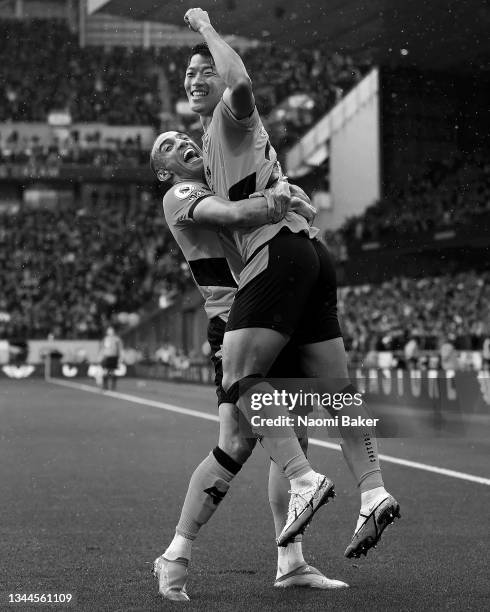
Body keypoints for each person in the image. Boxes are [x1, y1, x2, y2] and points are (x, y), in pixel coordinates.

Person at [183, 5, 399, 561]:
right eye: (188, 73)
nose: (196, 78)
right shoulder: (211, 155)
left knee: (238, 376)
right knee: (335, 392)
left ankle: (304, 480)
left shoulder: (229, 119)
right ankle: (373, 489)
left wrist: (205, 27)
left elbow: (241, 81)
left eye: (203, 70)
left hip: (277, 256)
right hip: (309, 253)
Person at [150, 131, 347, 600]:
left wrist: (286, 201)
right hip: (233, 319)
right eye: (168, 148)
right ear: (164, 170)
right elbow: (236, 215)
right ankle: (175, 553)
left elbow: (290, 210)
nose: (181, 144)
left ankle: (291, 561)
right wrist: (279, 199)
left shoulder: (226, 179)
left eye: (182, 138)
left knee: (292, 435)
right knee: (236, 443)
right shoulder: (180, 194)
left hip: (275, 310)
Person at [98, 326, 123, 390]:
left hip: (114, 357)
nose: (110, 332)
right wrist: (100, 356)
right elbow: (102, 348)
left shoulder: (117, 339)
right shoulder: (105, 339)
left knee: (113, 371)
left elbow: (120, 349)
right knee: (105, 371)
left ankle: (113, 386)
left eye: (111, 330)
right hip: (107, 357)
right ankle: (105, 386)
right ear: (107, 332)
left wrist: (120, 357)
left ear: (113, 331)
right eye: (109, 330)